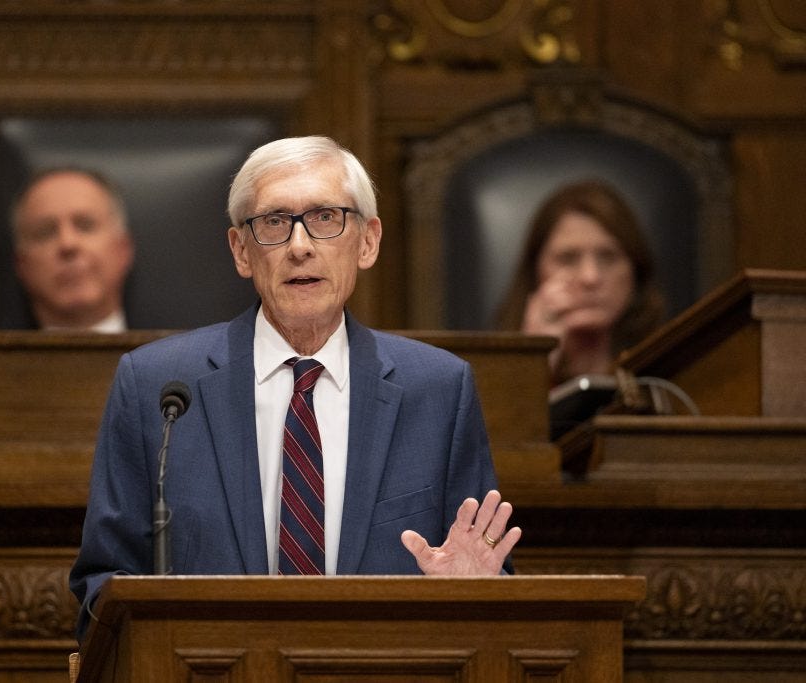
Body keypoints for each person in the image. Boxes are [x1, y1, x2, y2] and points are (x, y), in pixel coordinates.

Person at [69, 135, 520, 642]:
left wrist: (470, 598)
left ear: (367, 241)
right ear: (242, 251)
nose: (300, 246)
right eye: (274, 223)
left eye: (326, 218)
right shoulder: (158, 388)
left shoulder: (438, 390)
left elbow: (484, 575)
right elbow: (102, 584)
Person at [495, 180, 666, 387]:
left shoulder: (670, 371)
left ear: (636, 271)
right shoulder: (486, 375)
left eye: (608, 257)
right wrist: (535, 359)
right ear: (535, 272)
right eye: (568, 258)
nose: (590, 277)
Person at [11, 167, 135, 332]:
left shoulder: (173, 356)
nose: (67, 244)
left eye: (85, 225)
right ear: (22, 265)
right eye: (45, 232)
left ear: (123, 250)